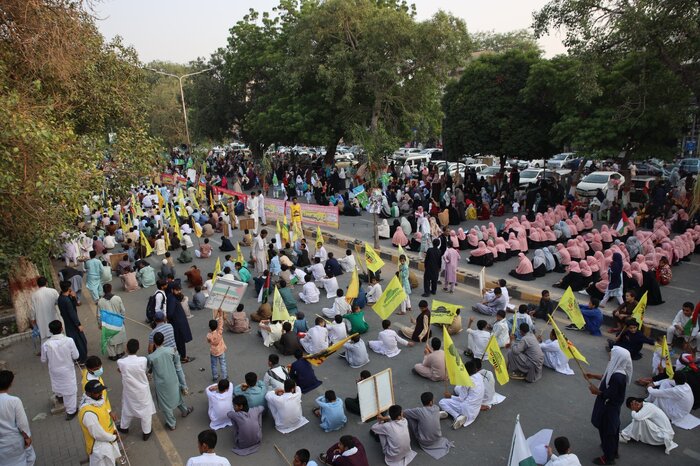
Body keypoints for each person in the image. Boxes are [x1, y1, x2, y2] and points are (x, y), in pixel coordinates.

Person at [586, 346, 633, 465]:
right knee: (612, 429)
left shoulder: (618, 376)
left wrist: (595, 391)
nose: (609, 354)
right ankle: (613, 450)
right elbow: (607, 378)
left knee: (607, 430)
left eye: (612, 353)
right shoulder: (617, 369)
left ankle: (608, 458)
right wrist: (593, 376)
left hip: (609, 407)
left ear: (618, 357)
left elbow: (609, 394)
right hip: (609, 406)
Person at [147, 332, 193, 430]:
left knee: (165, 405)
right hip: (173, 380)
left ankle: (172, 423)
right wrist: (184, 384)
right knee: (178, 397)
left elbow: (149, 368)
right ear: (163, 341)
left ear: (154, 342)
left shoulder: (151, 357)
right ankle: (185, 411)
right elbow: (178, 367)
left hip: (161, 385)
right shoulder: (172, 350)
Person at [116, 339, 155, 441]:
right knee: (146, 411)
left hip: (129, 390)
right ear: (138, 348)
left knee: (127, 409)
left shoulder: (121, 362)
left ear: (126, 348)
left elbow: (120, 370)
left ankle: (124, 427)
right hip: (142, 390)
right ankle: (146, 432)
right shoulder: (143, 360)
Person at [41, 320, 79, 420]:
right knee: (70, 390)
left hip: (54, 370)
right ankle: (71, 411)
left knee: (57, 385)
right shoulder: (69, 340)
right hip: (67, 369)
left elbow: (43, 360)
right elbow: (76, 355)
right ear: (62, 328)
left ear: (50, 331)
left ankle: (60, 396)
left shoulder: (46, 344)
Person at [78, 379, 121, 466]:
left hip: (108, 439)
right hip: (99, 447)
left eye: (101, 391)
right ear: (89, 393)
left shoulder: (96, 400)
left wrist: (110, 413)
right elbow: (98, 434)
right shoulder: (88, 413)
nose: (101, 394)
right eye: (97, 392)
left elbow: (103, 407)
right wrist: (113, 437)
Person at [0, 370, 36, 466]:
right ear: (10, 384)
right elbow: (22, 424)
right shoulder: (14, 401)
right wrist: (27, 437)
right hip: (14, 443)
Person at [403, 392, 454, 459]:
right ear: (431, 402)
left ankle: (433, 417)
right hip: (437, 437)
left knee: (410, 418)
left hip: (424, 442)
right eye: (433, 399)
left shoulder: (419, 411)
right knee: (425, 418)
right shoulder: (436, 408)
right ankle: (438, 415)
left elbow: (404, 413)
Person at [438, 360, 485, 429]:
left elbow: (461, 399)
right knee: (458, 389)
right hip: (475, 410)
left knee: (442, 402)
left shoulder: (466, 381)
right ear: (475, 369)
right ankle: (448, 412)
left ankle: (457, 416)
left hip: (466, 409)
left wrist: (450, 396)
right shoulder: (479, 375)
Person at [57, 280, 87, 364]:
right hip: (73, 323)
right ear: (69, 288)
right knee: (81, 341)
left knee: (75, 341)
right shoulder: (66, 300)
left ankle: (77, 358)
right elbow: (72, 313)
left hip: (67, 322)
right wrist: (78, 324)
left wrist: (73, 297)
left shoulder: (61, 298)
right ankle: (82, 359)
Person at [97, 283, 127, 360]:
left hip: (107, 323)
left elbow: (99, 315)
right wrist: (123, 319)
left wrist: (99, 323)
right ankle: (119, 353)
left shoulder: (100, 301)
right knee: (119, 337)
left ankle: (112, 355)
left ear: (103, 291)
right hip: (118, 321)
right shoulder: (117, 298)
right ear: (111, 289)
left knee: (109, 339)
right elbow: (123, 310)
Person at [166, 283, 195, 363]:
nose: (179, 291)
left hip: (177, 322)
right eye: (177, 290)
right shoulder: (172, 299)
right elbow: (170, 313)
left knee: (178, 341)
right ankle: (183, 357)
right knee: (180, 341)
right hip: (178, 323)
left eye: (179, 290)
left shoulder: (171, 297)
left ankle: (181, 355)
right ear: (172, 290)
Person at [30, 276, 60, 341]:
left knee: (45, 340)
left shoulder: (34, 295)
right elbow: (59, 302)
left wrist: (32, 319)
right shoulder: (53, 291)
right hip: (53, 318)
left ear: (38, 284)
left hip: (41, 321)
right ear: (46, 283)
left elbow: (33, 310)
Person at [207, 309, 228, 381]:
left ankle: (215, 376)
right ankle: (224, 376)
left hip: (213, 352)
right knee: (223, 363)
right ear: (216, 326)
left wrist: (210, 332)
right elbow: (221, 323)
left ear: (210, 327)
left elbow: (208, 341)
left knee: (214, 365)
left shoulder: (209, 335)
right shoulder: (219, 332)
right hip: (221, 350)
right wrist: (221, 314)